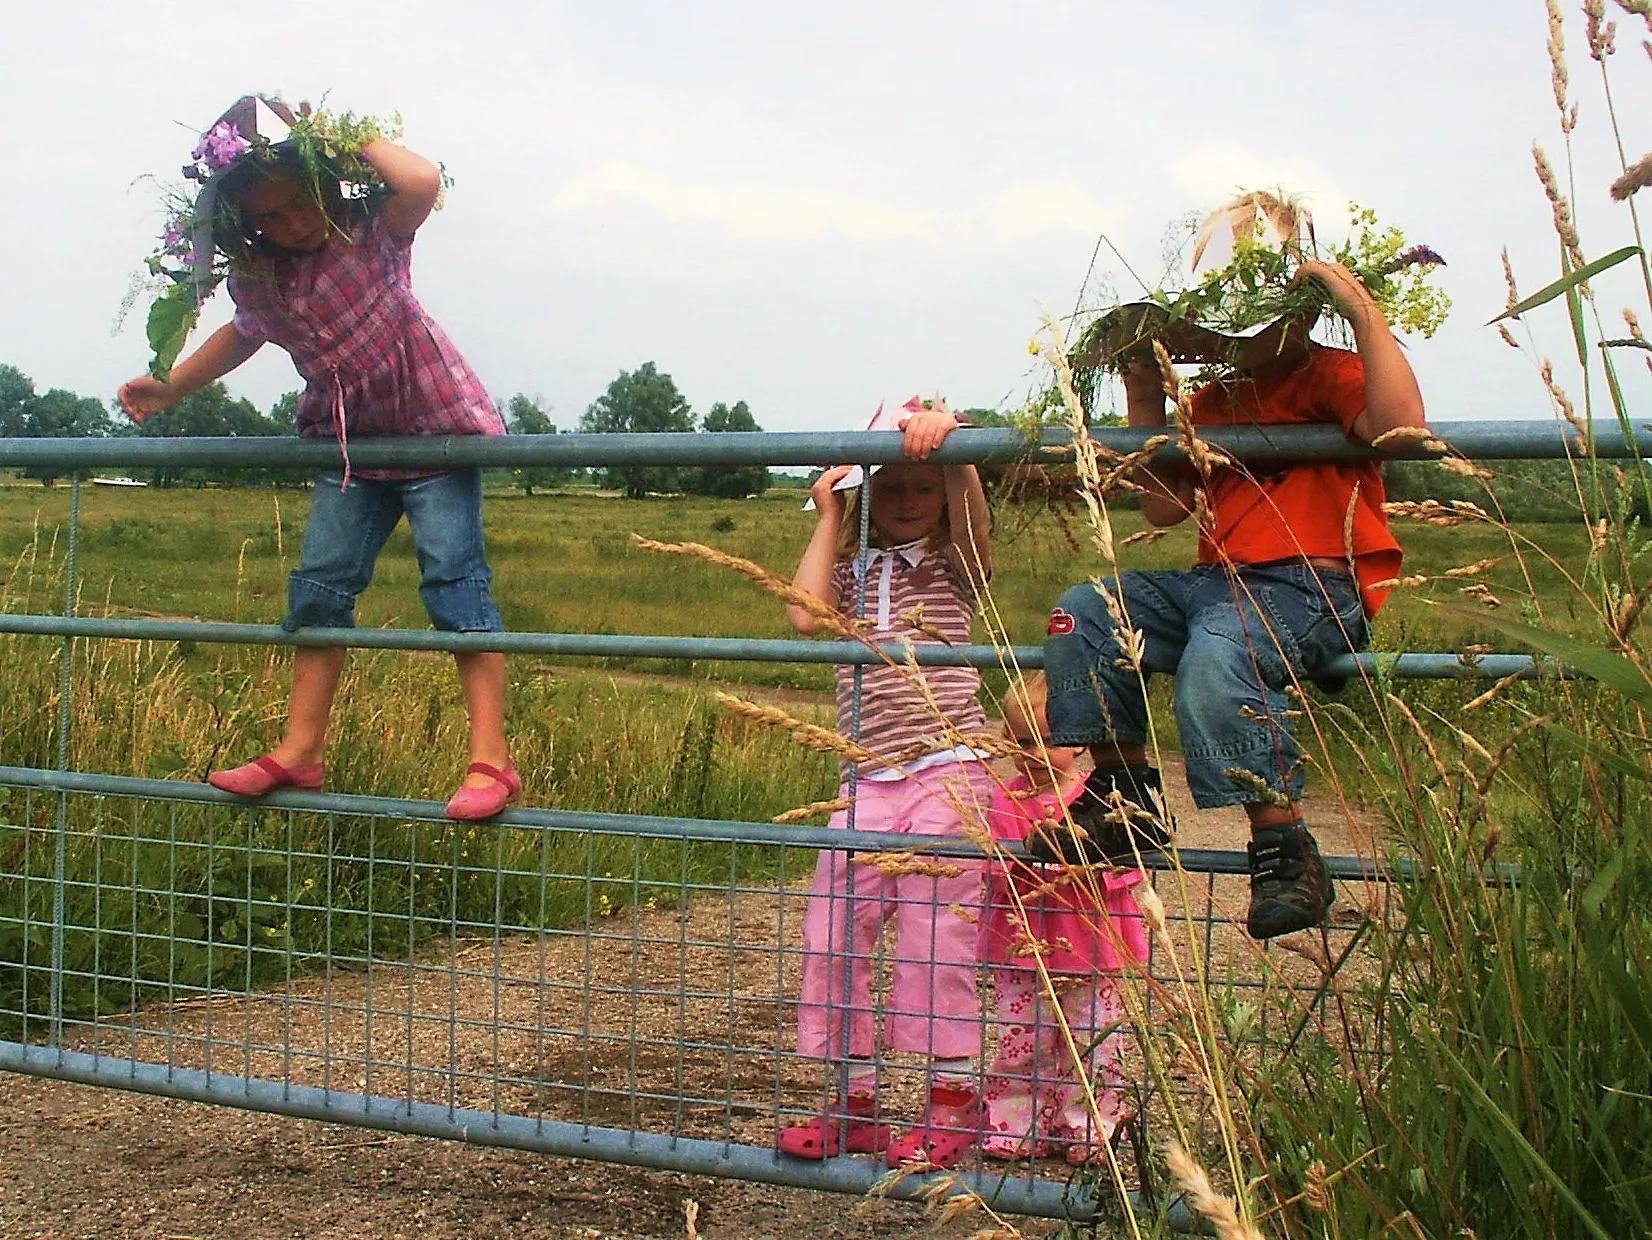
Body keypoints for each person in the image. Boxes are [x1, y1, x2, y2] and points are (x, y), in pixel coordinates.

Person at [118, 96, 516, 821]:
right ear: (246, 226)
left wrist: (339, 135)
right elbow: (241, 336)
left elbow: (421, 181)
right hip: (349, 446)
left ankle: (491, 758)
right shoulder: (262, 278)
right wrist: (171, 385)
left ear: (328, 186)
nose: (292, 224)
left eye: (299, 203)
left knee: (456, 586)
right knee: (319, 590)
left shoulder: (371, 232)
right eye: (269, 217)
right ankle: (301, 749)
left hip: (433, 432)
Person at [1042, 259, 1426, 938]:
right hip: (1220, 583)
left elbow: (1400, 429)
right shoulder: (1215, 400)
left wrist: (1360, 307)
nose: (1229, 344)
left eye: (1249, 327)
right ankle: (1125, 800)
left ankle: (1285, 850)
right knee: (1088, 610)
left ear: (1303, 317)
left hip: (1314, 582)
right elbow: (1164, 509)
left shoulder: (1329, 373)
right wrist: (1145, 397)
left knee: (1220, 654)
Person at [777, 397, 995, 1170]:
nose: (907, 501)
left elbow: (972, 526)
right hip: (865, 777)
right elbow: (804, 619)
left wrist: (960, 453)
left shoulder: (953, 563)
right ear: (868, 490)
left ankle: (953, 1105)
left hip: (948, 771)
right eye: (891, 487)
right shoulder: (847, 567)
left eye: (923, 488)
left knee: (937, 944)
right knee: (834, 934)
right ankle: (855, 1103)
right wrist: (828, 512)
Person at [979, 673, 1147, 1164]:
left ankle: (1093, 1125)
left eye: (1050, 741)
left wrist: (1089, 866)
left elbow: (1130, 865)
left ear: (1080, 743)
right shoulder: (1007, 799)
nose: (1035, 753)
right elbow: (995, 863)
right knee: (1021, 1040)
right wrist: (1023, 863)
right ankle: (1017, 1121)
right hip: (1024, 947)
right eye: (1023, 740)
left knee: (1094, 1042)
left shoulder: (1102, 798)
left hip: (1092, 946)